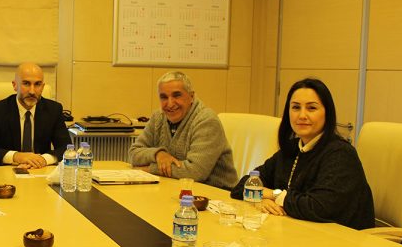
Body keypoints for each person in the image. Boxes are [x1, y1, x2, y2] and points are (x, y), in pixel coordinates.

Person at [230, 78, 375, 230]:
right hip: (297, 231)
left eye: (311, 108)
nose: (302, 115)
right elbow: (242, 186)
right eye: (296, 107)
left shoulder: (341, 154)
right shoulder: (292, 149)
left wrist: (273, 195)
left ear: (327, 113)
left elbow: (317, 207)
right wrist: (260, 200)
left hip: (340, 239)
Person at [129, 71, 237, 189]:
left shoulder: (206, 120)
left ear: (191, 97)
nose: (170, 104)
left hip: (215, 194)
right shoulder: (158, 117)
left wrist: (149, 169)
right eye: (164, 97)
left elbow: (195, 172)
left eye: (176, 95)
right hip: (178, 189)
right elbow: (133, 153)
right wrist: (158, 154)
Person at [0, 62, 71, 168]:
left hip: (40, 171)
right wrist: (16, 156)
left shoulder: (53, 110)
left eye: (37, 84)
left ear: (42, 87)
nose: (32, 91)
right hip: (8, 172)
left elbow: (66, 148)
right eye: (26, 83)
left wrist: (43, 159)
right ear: (15, 85)